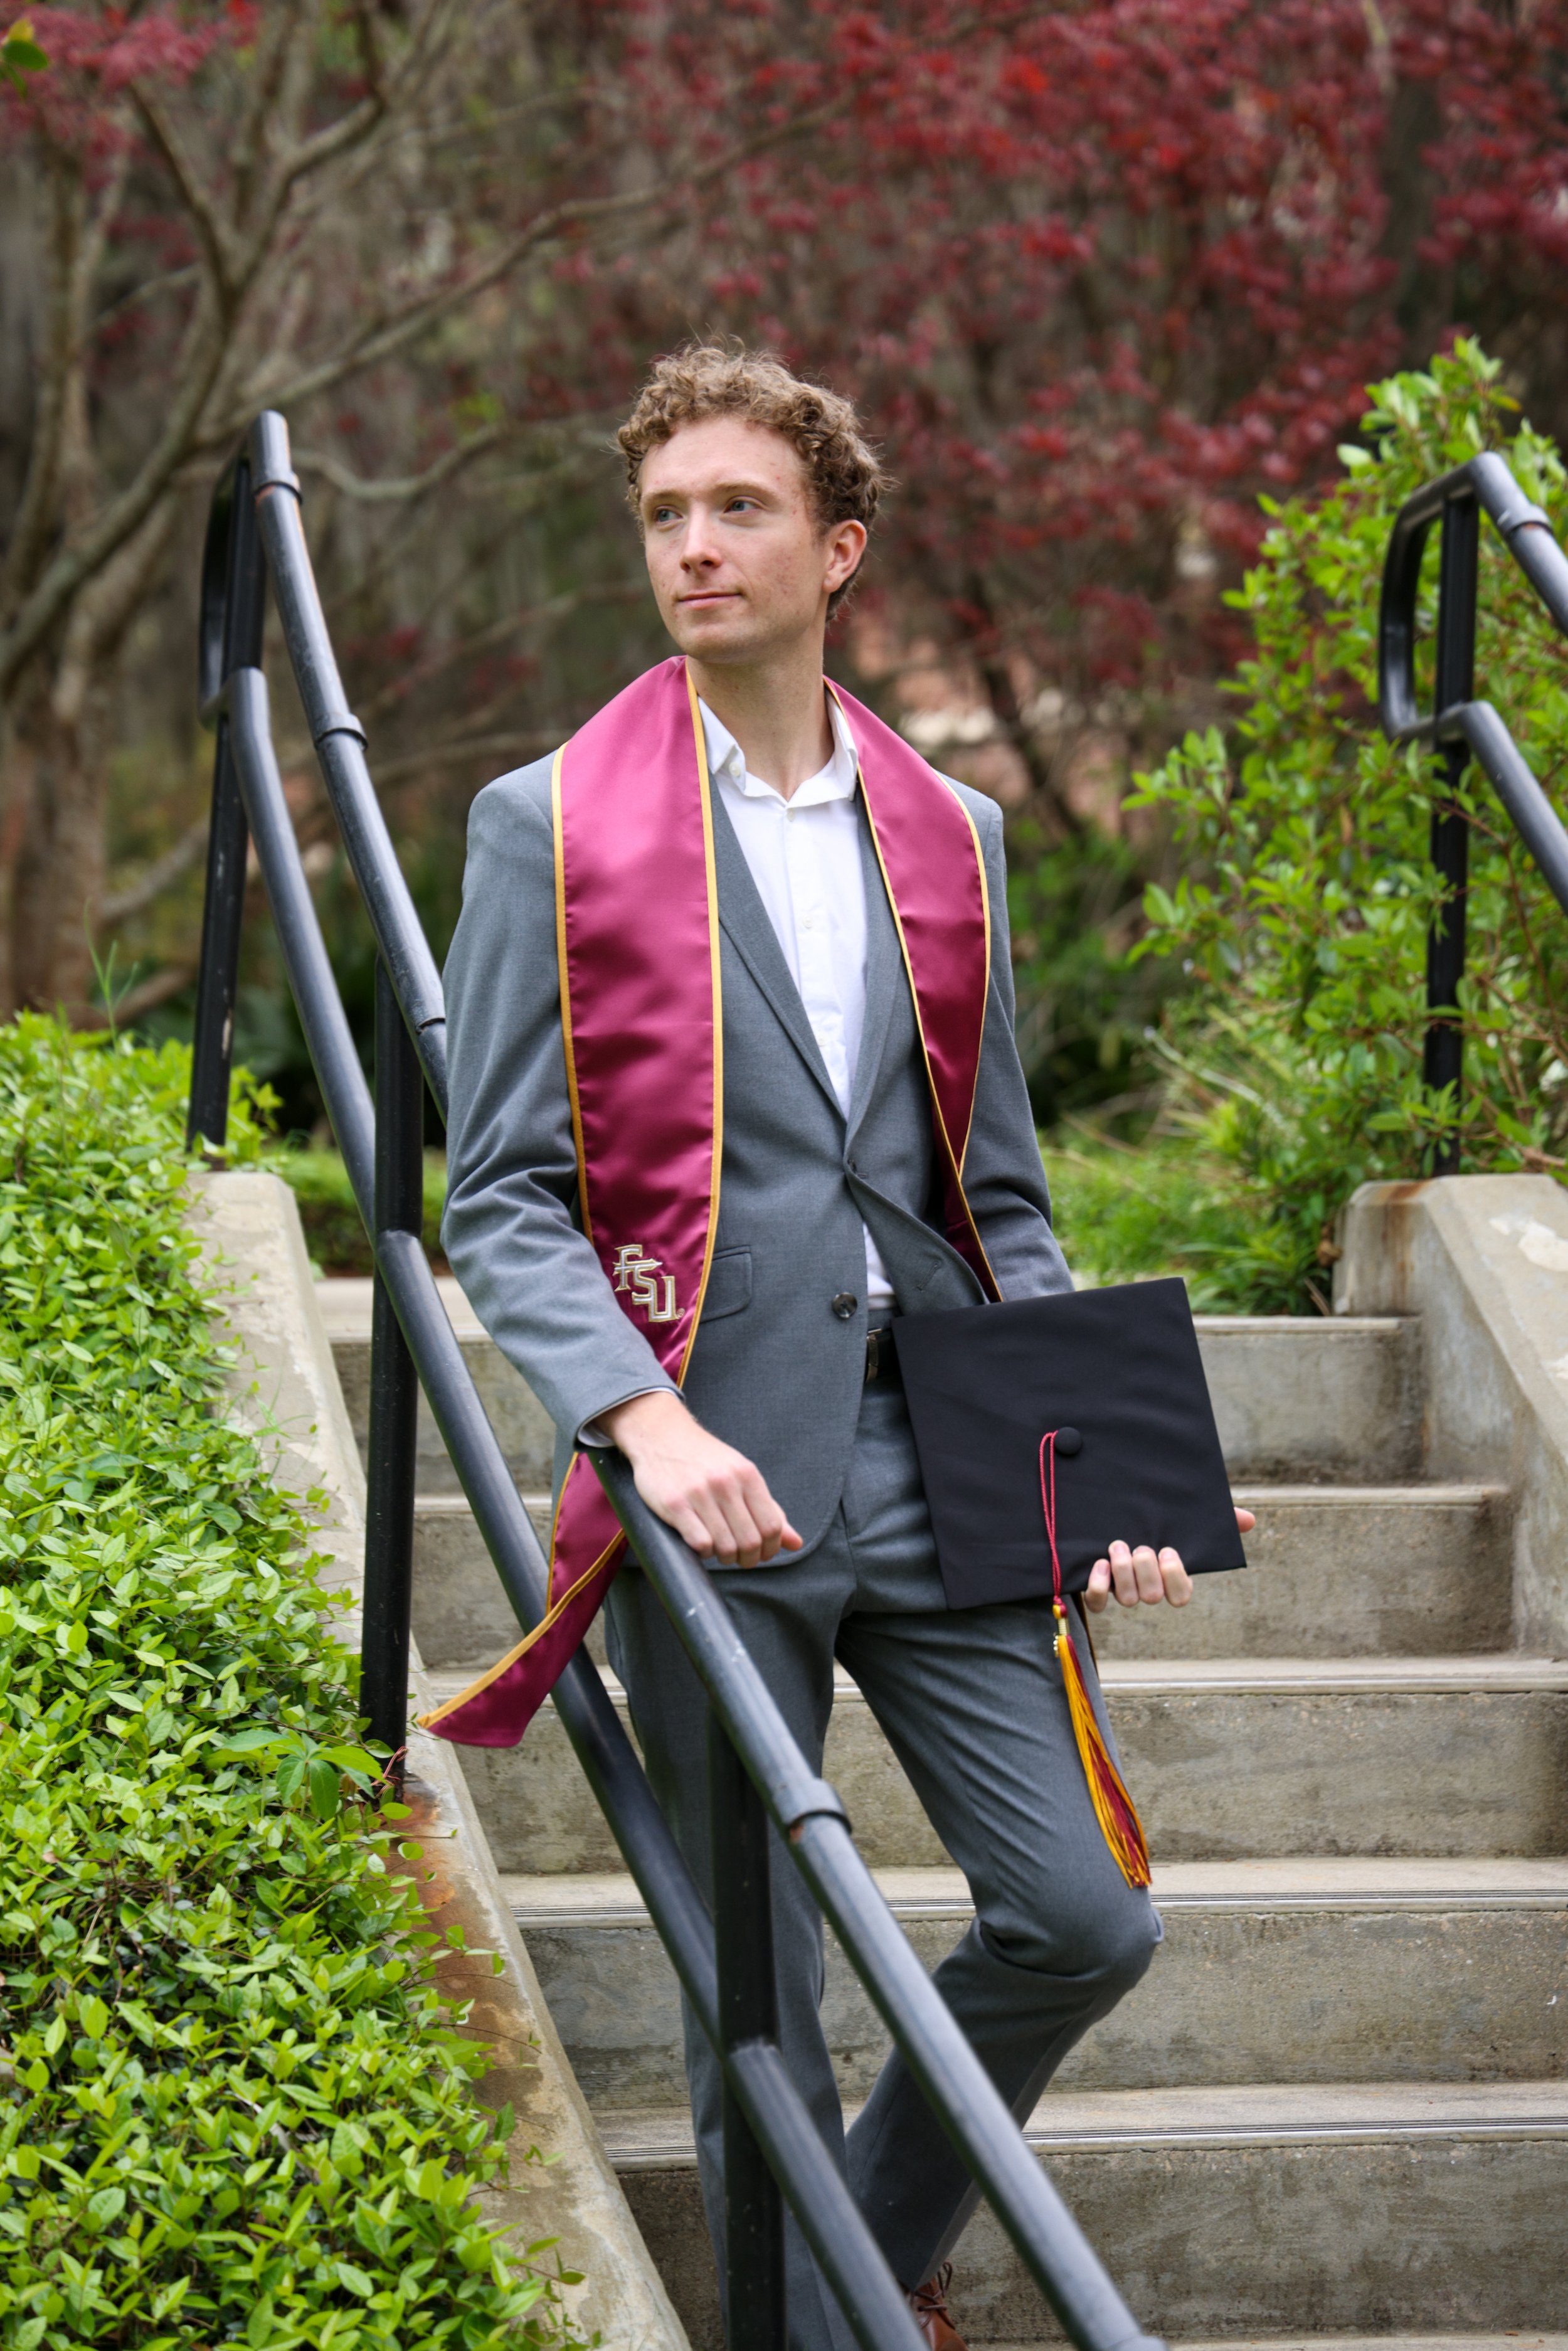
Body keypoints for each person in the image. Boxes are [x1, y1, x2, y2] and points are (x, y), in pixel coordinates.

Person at [432, 344, 1254, 2351]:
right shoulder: (544, 823)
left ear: (839, 545)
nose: (692, 549)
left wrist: (1106, 1476)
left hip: (951, 1455)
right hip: (711, 1472)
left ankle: (863, 2249)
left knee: (1082, 1914)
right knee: (761, 1989)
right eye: (662, 517)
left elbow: (1008, 1196)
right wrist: (639, 1415)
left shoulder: (951, 829)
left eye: (737, 510)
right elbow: (503, 1201)